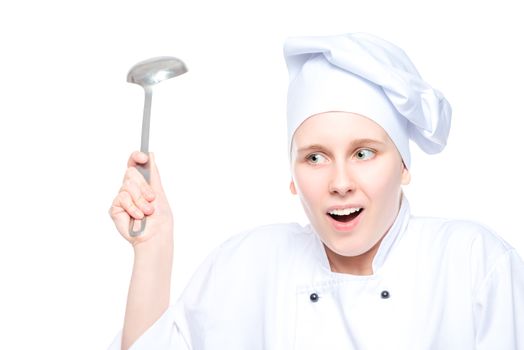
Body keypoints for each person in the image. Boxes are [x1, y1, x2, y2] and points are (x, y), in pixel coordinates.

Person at [108, 33, 524, 350]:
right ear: (292, 175)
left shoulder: (472, 263)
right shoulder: (248, 265)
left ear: (404, 165)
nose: (340, 182)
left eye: (364, 153)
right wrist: (154, 249)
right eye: (315, 158)